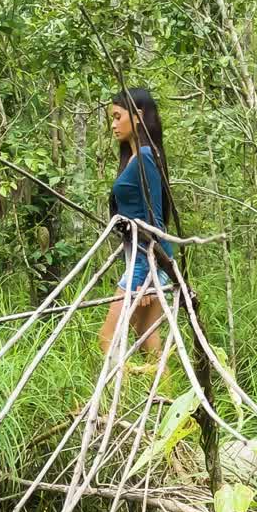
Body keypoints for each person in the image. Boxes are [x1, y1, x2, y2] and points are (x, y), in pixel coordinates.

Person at [98, 88, 175, 359]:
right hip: (142, 259)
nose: (113, 124)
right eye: (112, 118)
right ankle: (161, 392)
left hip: (148, 260)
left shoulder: (145, 158)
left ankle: (114, 397)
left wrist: (146, 278)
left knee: (108, 339)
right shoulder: (134, 158)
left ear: (138, 116)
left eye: (118, 117)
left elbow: (154, 221)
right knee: (146, 338)